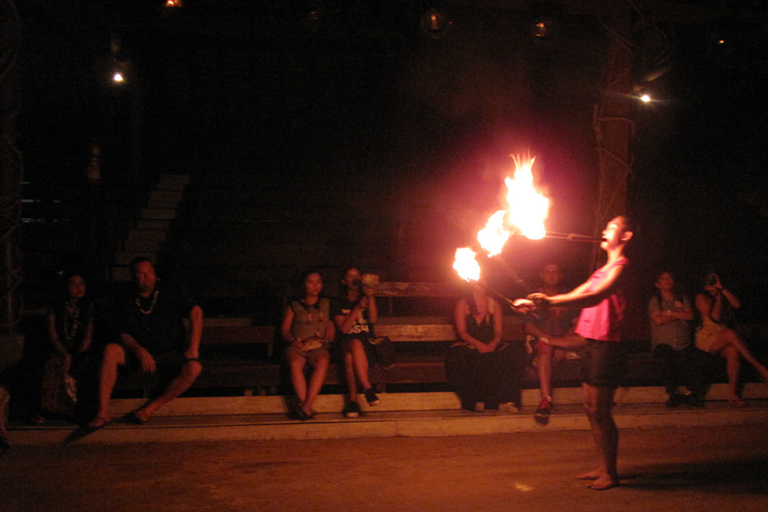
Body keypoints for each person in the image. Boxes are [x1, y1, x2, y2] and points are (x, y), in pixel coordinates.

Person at [514, 215, 634, 490]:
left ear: (625, 237)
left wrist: (548, 300)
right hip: (590, 342)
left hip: (608, 345)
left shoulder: (621, 267)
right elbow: (578, 293)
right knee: (591, 408)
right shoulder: (602, 269)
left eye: (612, 228)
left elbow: (593, 297)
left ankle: (611, 473)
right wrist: (535, 304)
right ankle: (603, 465)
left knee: (601, 410)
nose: (604, 230)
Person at [88, 258, 203, 428]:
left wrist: (193, 347)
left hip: (168, 352)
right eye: (140, 273)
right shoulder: (125, 296)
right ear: (133, 277)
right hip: (136, 353)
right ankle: (103, 412)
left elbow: (196, 311)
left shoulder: (170, 290)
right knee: (111, 350)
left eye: (149, 272)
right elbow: (122, 332)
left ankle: (149, 409)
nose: (146, 277)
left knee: (194, 368)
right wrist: (139, 351)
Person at [447, 281, 522, 413]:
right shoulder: (464, 304)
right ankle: (474, 401)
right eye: (477, 281)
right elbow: (462, 332)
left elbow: (498, 332)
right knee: (459, 358)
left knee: (511, 354)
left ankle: (508, 401)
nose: (480, 283)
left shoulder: (494, 304)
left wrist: (493, 343)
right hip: (470, 343)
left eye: (483, 280)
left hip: (490, 342)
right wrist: (479, 345)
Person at [694, 273, 768, 405]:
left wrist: (721, 289)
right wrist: (716, 297)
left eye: (714, 281)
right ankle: (759, 367)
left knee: (733, 351)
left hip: (723, 336)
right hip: (706, 337)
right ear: (705, 286)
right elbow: (714, 318)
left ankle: (732, 394)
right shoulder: (701, 297)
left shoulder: (722, 293)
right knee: (730, 333)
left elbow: (737, 304)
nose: (712, 285)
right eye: (709, 283)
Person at [524, 262, 582, 424]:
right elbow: (529, 327)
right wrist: (551, 341)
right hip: (541, 342)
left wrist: (561, 343)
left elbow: (577, 324)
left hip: (564, 341)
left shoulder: (568, 296)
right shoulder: (534, 297)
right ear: (542, 275)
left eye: (555, 272)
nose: (551, 275)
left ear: (561, 276)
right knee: (545, 347)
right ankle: (545, 400)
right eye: (548, 271)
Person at [37, 273, 95, 421]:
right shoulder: (55, 307)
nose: (78, 287)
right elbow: (53, 336)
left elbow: (87, 337)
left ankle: (78, 411)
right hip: (59, 349)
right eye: (73, 284)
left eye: (81, 283)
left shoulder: (88, 308)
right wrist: (65, 354)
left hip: (80, 350)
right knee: (53, 363)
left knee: (86, 364)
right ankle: (50, 411)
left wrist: (76, 355)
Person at [648, 271, 709, 407]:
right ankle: (672, 394)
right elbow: (658, 320)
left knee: (697, 357)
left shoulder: (682, 298)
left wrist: (668, 313)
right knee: (665, 357)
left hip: (683, 343)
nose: (668, 280)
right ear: (657, 284)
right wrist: (679, 314)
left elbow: (690, 316)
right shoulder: (656, 300)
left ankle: (693, 394)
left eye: (669, 277)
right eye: (663, 278)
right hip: (663, 343)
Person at [281, 269, 334, 420]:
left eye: (318, 282)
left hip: (318, 345)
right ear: (304, 284)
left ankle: (305, 406)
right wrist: (293, 341)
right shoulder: (294, 305)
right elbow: (284, 329)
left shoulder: (326, 304)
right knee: (294, 363)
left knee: (322, 361)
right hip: (299, 345)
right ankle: (307, 407)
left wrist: (329, 331)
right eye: (311, 282)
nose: (315, 286)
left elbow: (331, 324)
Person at [332, 267, 380, 418]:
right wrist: (357, 308)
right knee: (354, 344)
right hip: (346, 342)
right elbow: (345, 329)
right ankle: (367, 388)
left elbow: (372, 320)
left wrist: (370, 297)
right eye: (350, 276)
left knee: (350, 358)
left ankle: (352, 401)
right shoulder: (338, 303)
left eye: (357, 276)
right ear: (344, 281)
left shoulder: (366, 298)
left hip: (366, 344)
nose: (354, 279)